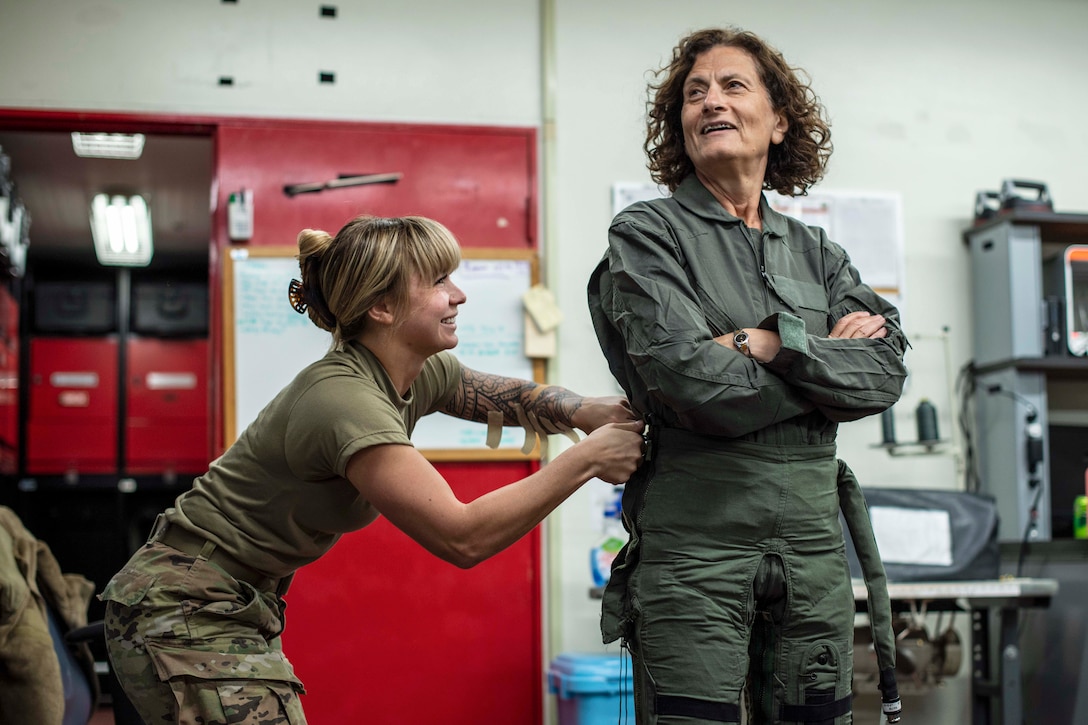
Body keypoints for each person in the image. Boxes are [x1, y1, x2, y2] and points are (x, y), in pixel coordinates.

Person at [101, 214, 645, 724]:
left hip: (238, 599)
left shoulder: (411, 371)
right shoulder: (344, 400)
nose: (457, 294)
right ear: (381, 308)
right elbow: (462, 536)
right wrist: (588, 458)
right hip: (184, 603)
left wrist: (584, 409)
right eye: (437, 282)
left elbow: (502, 395)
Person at [587, 27, 909, 724]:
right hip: (695, 545)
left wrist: (772, 343)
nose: (712, 102)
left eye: (734, 86)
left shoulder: (818, 251)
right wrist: (823, 367)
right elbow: (687, 381)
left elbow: (883, 373)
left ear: (780, 118)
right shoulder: (648, 236)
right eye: (694, 92)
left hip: (814, 548)